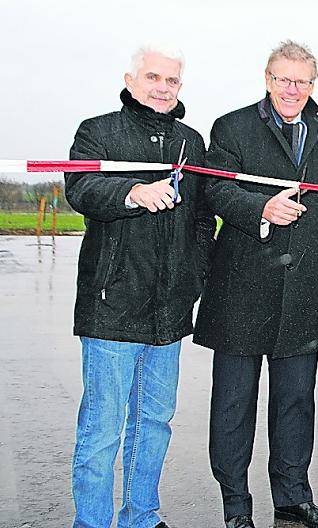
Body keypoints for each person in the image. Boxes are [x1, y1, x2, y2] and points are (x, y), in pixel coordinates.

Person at [192, 40, 318, 528]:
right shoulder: (232, 126)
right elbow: (216, 188)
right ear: (267, 79)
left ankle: (292, 496)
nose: (292, 89)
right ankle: (236, 504)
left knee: (295, 404)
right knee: (233, 407)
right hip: (241, 290)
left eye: (301, 81)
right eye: (283, 79)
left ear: (313, 85)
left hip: (304, 292)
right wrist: (259, 208)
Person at [64, 44, 214, 528]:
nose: (162, 88)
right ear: (130, 79)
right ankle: (91, 522)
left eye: (172, 81)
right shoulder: (97, 131)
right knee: (103, 429)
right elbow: (81, 188)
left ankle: (141, 518)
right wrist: (131, 191)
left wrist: (195, 278)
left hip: (168, 313)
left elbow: (199, 219)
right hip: (112, 306)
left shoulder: (191, 142)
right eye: (153, 78)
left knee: (154, 424)